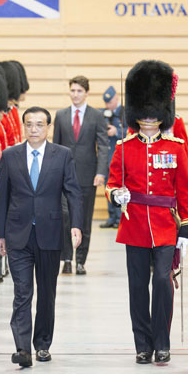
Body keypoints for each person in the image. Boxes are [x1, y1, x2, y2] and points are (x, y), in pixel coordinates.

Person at [105, 60, 188, 365]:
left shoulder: (175, 147)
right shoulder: (124, 147)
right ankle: (142, 344)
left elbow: (185, 191)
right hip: (134, 226)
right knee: (137, 287)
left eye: (153, 115)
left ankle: (163, 342)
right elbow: (113, 183)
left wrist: (185, 231)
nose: (148, 120)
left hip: (166, 225)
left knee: (162, 283)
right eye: (143, 114)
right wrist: (117, 194)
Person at [0, 106, 83, 367]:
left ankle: (42, 344)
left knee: (46, 292)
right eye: (29, 124)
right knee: (22, 292)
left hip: (50, 233)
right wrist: (0, 234)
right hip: (18, 234)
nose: (34, 129)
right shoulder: (10, 156)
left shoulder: (62, 156)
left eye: (39, 124)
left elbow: (74, 192)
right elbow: (3, 197)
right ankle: (22, 349)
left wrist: (76, 225)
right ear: (24, 127)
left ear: (48, 127)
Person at [53, 75, 108, 275]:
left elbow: (103, 145)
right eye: (73, 90)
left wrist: (101, 172)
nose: (75, 94)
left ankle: (80, 261)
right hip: (65, 176)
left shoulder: (96, 116)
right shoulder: (61, 115)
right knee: (66, 217)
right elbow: (56, 146)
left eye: (79, 91)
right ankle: (66, 258)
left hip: (88, 175)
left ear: (86, 93)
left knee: (84, 219)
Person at [100, 85, 124, 229]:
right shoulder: (104, 113)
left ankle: (120, 218)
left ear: (116, 98)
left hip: (121, 157)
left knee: (120, 189)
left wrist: (117, 131)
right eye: (106, 103)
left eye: (110, 102)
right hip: (107, 157)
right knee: (108, 188)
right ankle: (111, 217)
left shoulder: (125, 112)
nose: (108, 105)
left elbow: (133, 132)